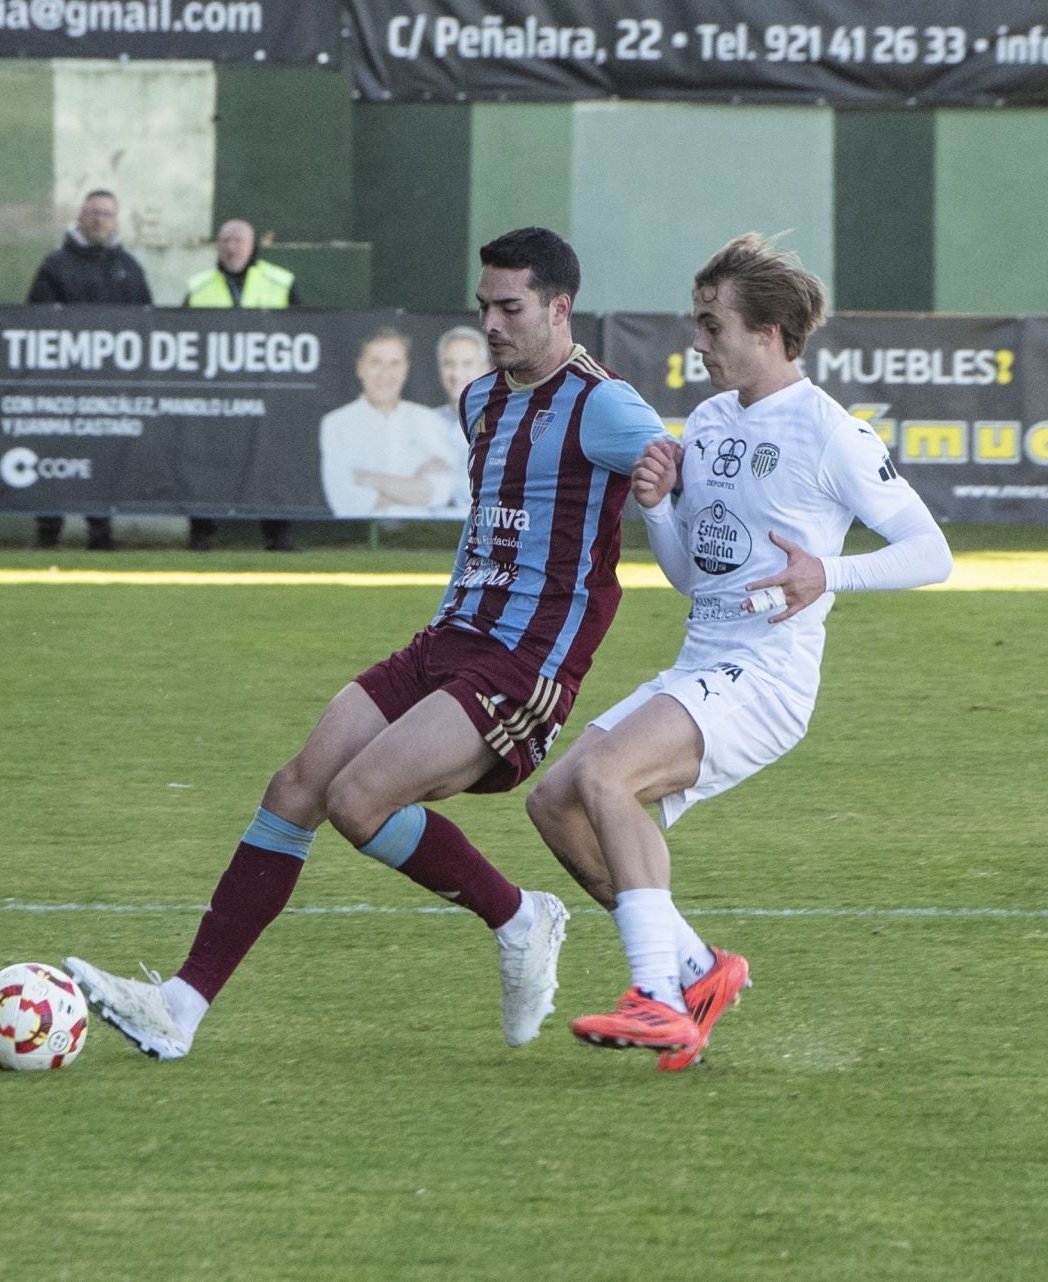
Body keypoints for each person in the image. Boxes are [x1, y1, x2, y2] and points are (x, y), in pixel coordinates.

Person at [66, 227, 673, 1061]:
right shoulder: (482, 400)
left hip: (522, 662)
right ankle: (179, 1007)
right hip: (448, 637)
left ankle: (521, 918)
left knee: (357, 802)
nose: (490, 324)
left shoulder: (602, 404)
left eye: (510, 307)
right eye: (482, 306)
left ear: (559, 308)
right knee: (297, 785)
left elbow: (682, 469)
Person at [525, 234, 954, 1071]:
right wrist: (657, 507)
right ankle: (696, 970)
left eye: (712, 325)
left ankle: (658, 997)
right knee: (558, 801)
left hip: (768, 674)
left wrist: (826, 574)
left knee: (609, 779)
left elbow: (931, 552)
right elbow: (695, 577)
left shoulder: (831, 432)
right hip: (706, 656)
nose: (698, 342)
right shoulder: (713, 421)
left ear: (768, 332)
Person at [27, 189, 153, 551]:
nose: (100, 219)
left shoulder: (130, 268)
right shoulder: (54, 266)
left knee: (104, 459)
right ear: (80, 217)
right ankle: (48, 530)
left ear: (116, 220)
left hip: (111, 389)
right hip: (61, 387)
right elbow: (36, 323)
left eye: (107, 214)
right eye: (93, 212)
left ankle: (101, 530)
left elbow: (146, 324)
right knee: (54, 458)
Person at [185, 218, 298, 552]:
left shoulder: (279, 282)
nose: (231, 247)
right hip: (214, 393)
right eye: (225, 240)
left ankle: (277, 535)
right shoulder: (199, 286)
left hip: (265, 393)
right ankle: (201, 533)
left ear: (253, 245)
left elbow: (301, 332)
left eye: (238, 240)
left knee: (272, 464)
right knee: (205, 463)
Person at [318, 328, 467, 517]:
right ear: (360, 367)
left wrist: (370, 479)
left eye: (394, 363)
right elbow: (345, 502)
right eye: (376, 363)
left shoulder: (427, 419)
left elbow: (440, 493)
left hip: (418, 535)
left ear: (406, 369)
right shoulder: (336, 424)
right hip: (359, 538)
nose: (385, 373)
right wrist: (413, 486)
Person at [435, 325, 491, 433]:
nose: (457, 374)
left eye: (467, 364)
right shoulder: (427, 422)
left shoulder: (505, 422)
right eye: (449, 364)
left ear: (486, 370)